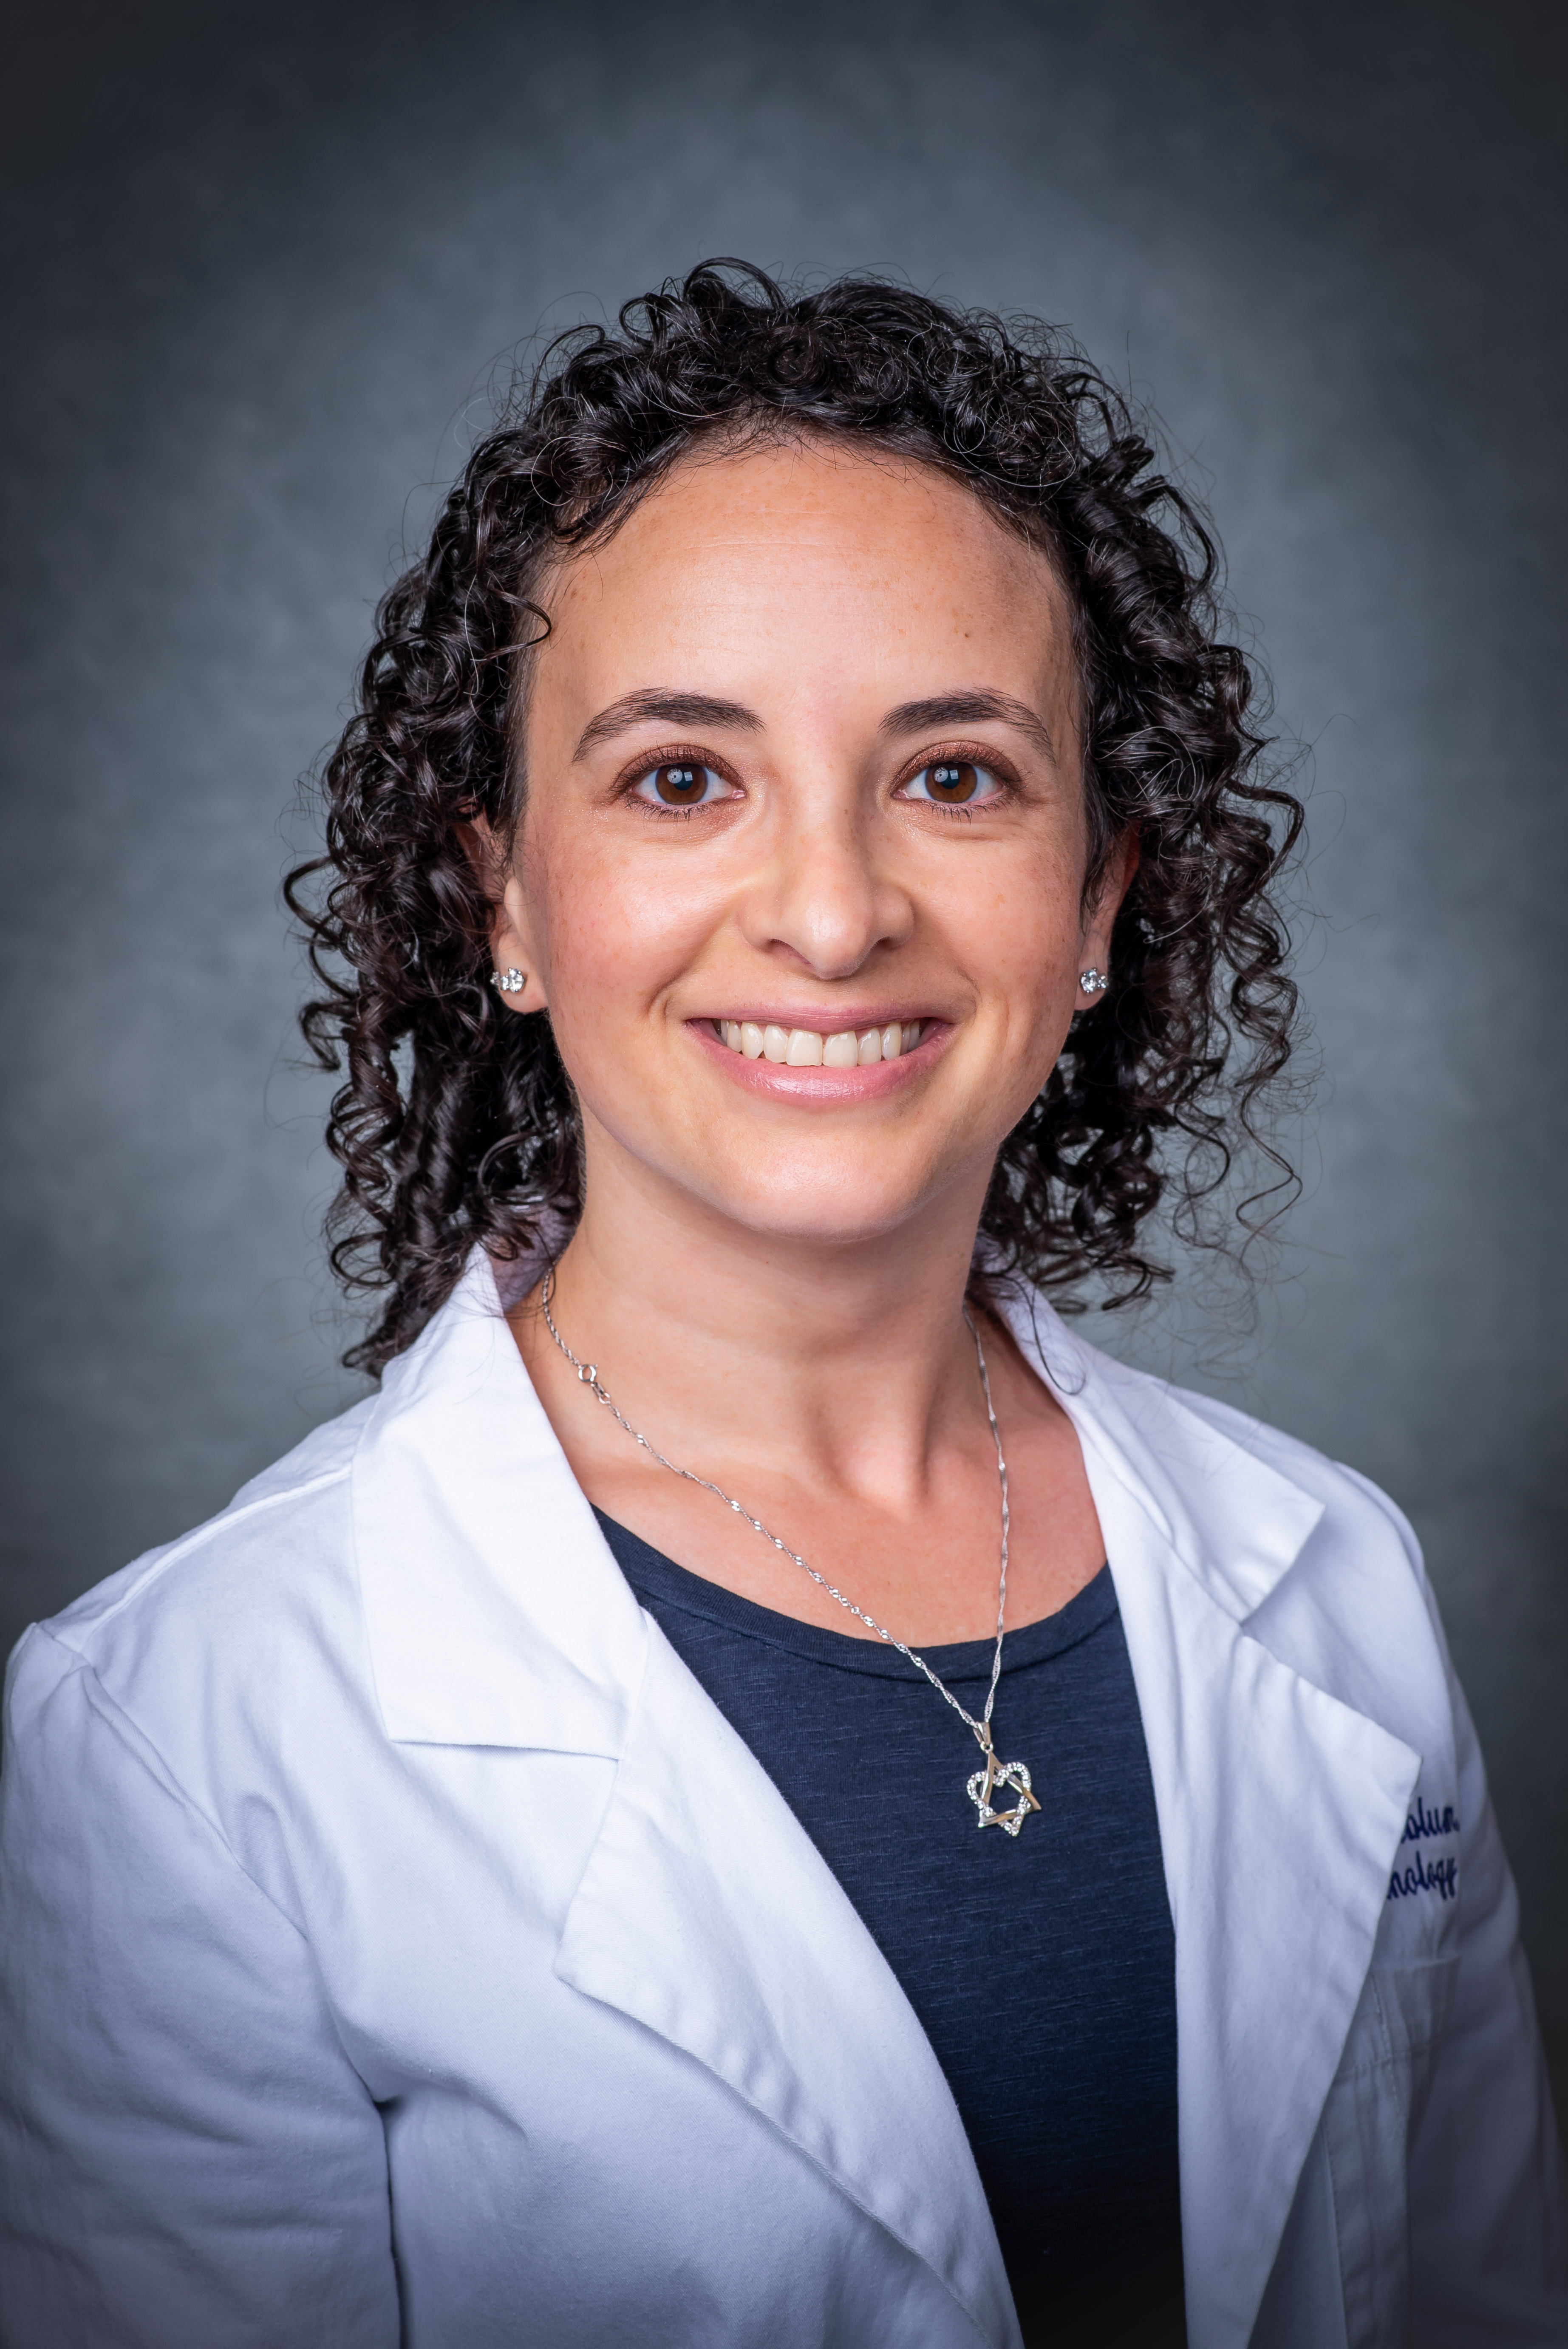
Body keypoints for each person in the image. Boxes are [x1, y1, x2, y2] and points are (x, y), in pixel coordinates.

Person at [0, 263, 1561, 2349]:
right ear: (506, 901)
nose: (830, 913)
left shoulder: (1338, 1579)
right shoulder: (174, 1743)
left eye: (953, 775)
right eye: (677, 777)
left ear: (1094, 895)